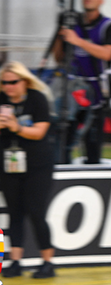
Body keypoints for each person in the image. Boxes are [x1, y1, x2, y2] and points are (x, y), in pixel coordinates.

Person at [0, 62, 57, 278]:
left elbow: (40, 132)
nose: (8, 86)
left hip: (37, 164)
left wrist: (17, 128)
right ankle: (15, 261)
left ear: (24, 81)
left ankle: (47, 261)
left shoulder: (37, 99)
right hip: (9, 164)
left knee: (36, 211)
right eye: (4, 82)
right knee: (14, 211)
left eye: (13, 82)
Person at [57, 0, 111, 164]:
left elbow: (107, 54)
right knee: (63, 145)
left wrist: (77, 40)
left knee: (93, 146)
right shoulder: (72, 23)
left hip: (96, 95)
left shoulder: (106, 26)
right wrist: (60, 35)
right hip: (72, 93)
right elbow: (59, 58)